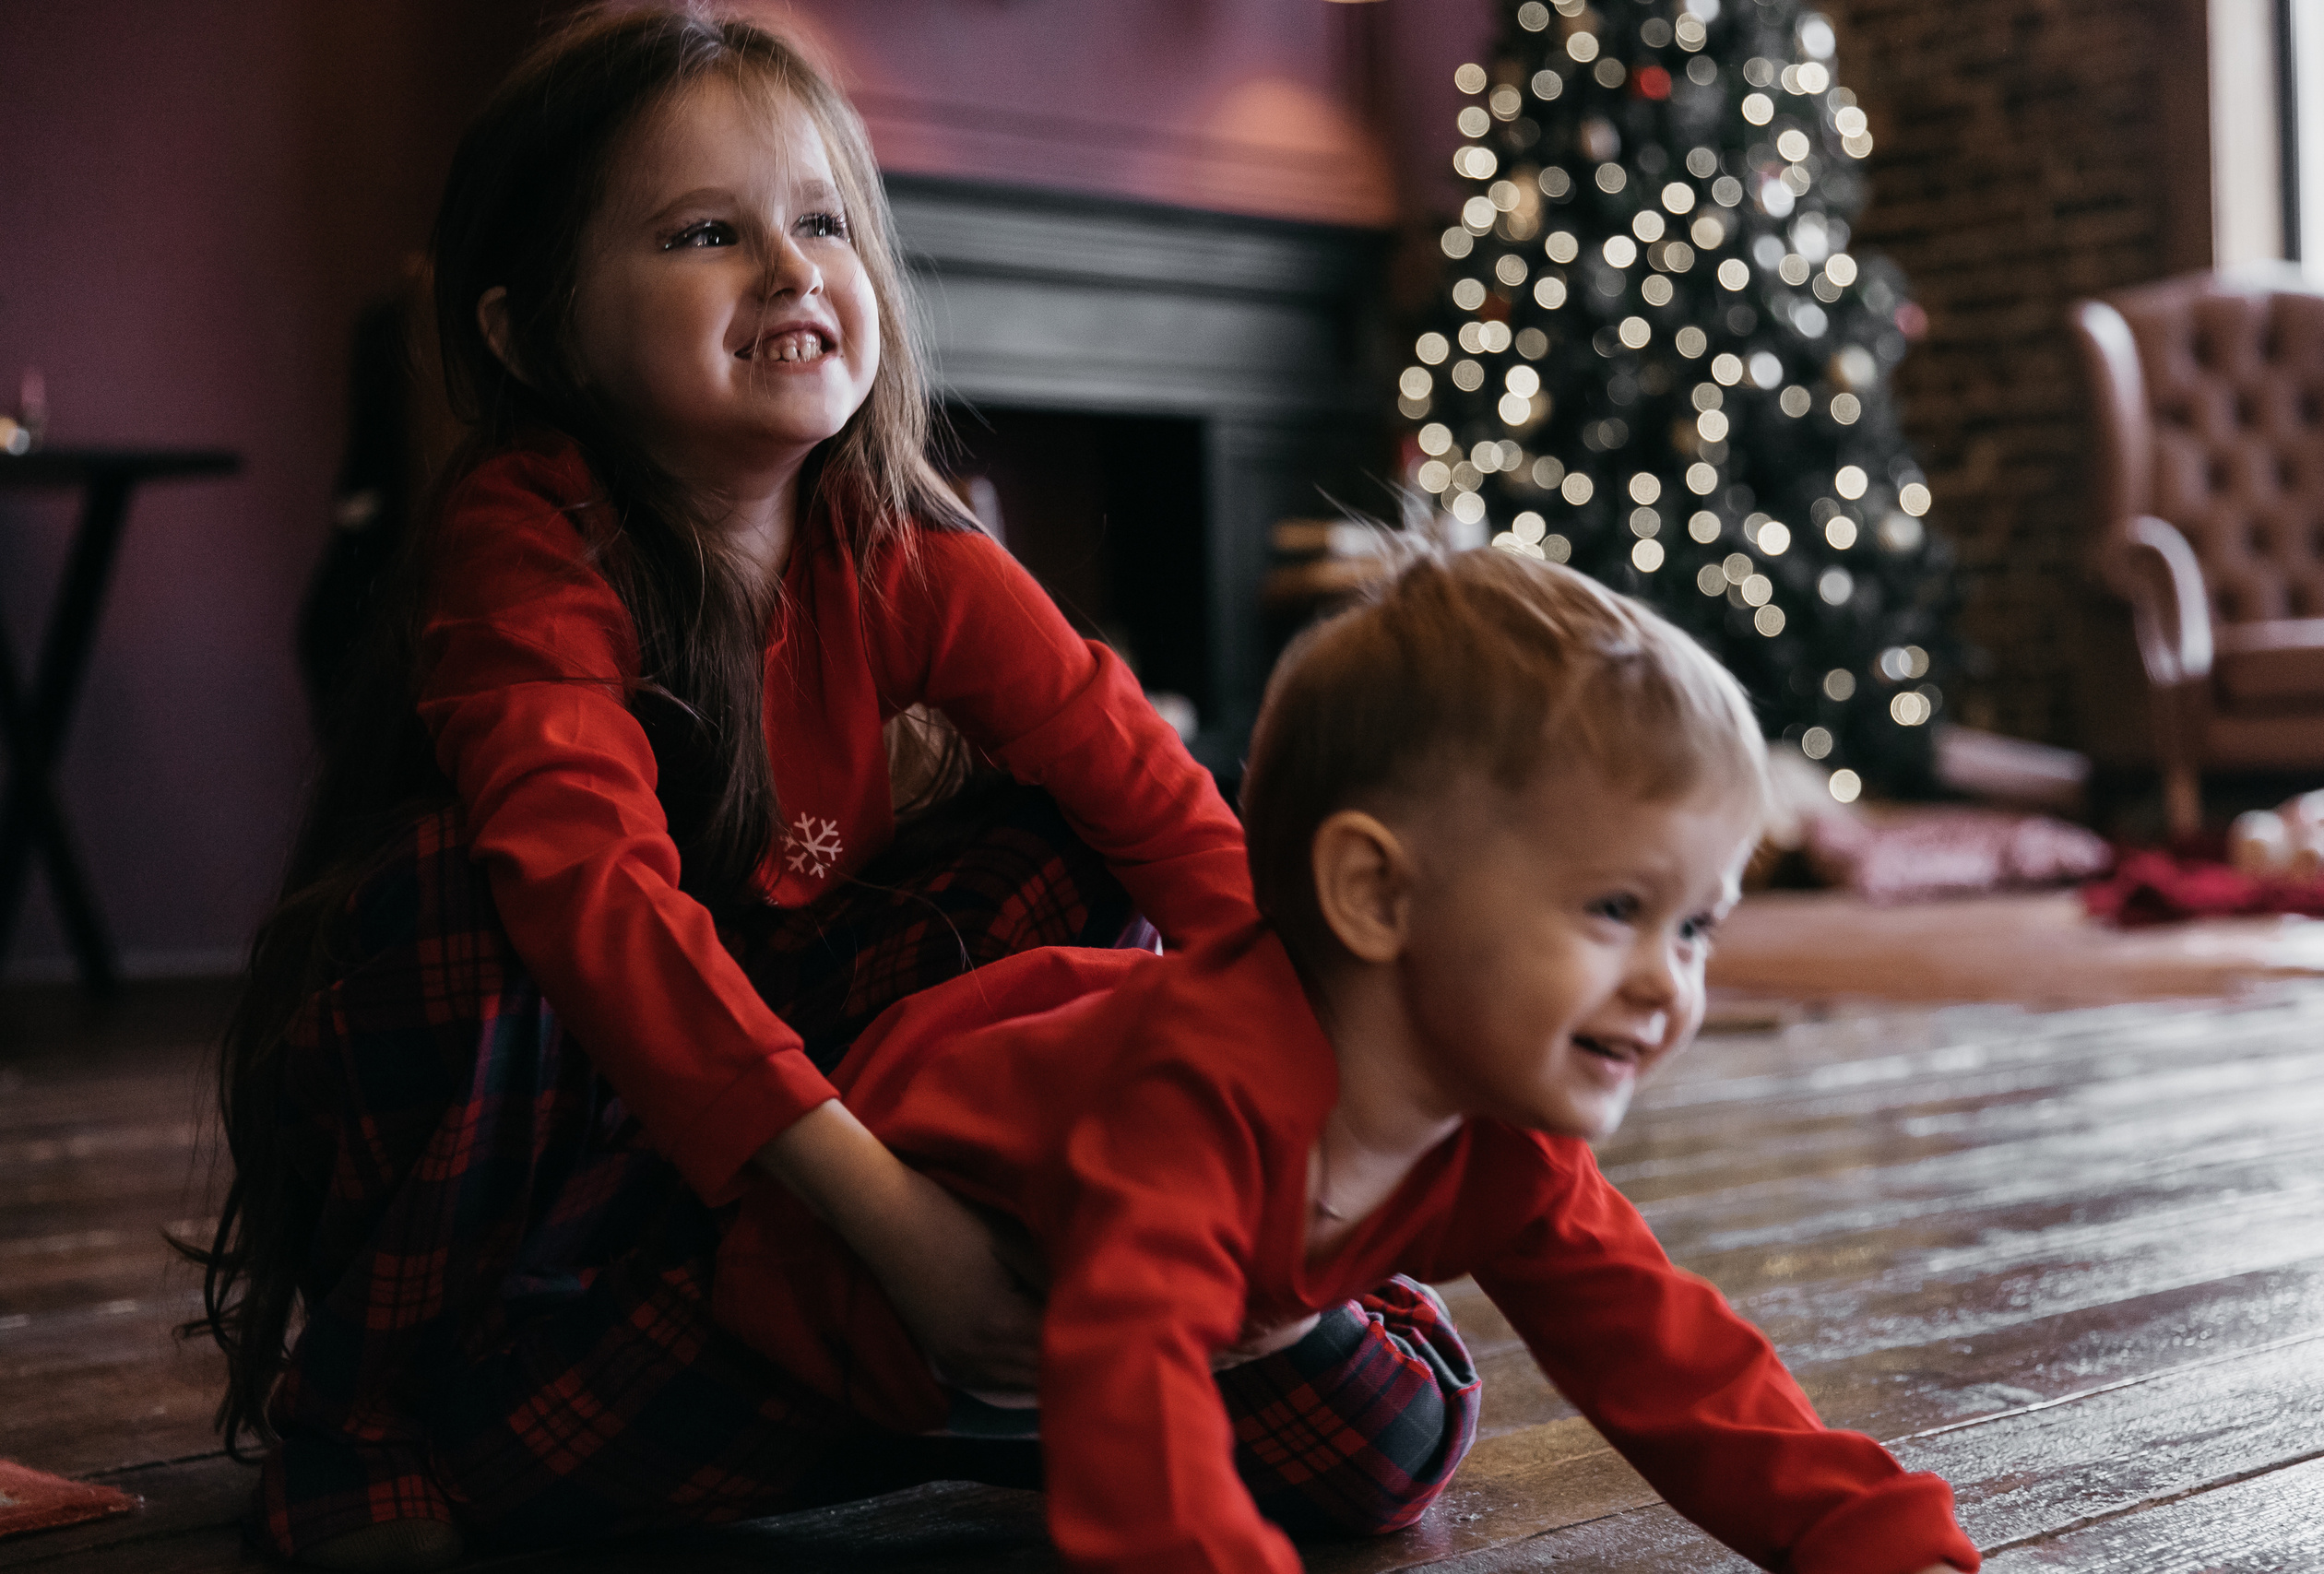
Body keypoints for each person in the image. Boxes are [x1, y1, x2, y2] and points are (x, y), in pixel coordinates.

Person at [191, 11, 1475, 1568]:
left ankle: (1011, 1334)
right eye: (704, 232)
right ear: (532, 335)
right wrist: (893, 1226)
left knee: (1078, 859)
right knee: (459, 895)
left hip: (820, 1143)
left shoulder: (906, 548)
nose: (794, 269)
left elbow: (1168, 813)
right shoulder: (530, 545)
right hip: (601, 1179)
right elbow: (599, 907)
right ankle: (373, 1424)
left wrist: (1336, 1124)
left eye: (821, 221)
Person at [714, 548, 1984, 1574]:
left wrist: (1865, 1540)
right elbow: (1133, 1403)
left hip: (1074, 1331)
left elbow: (1672, 1357)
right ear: (1376, 892)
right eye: (1614, 911)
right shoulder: (1202, 1100)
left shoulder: (1505, 1135)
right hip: (822, 1290)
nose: (1670, 984)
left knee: (1394, 1435)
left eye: (1697, 925)